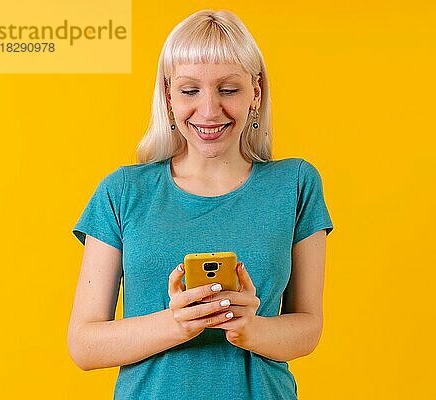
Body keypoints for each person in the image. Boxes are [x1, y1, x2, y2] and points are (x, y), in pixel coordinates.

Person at [67, 8, 333, 400]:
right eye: (190, 90)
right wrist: (178, 323)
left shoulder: (295, 184)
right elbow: (84, 346)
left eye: (228, 89)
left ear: (255, 92)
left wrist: (249, 327)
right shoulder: (122, 191)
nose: (209, 111)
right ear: (168, 96)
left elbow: (308, 327)